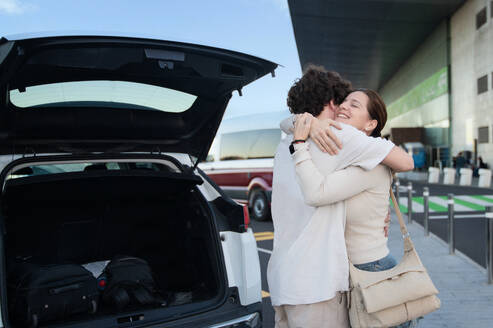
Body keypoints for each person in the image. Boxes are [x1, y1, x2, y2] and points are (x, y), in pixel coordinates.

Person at [267, 65, 414, 328]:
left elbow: (286, 122)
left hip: (282, 279)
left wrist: (305, 127)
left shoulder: (285, 140)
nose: (345, 108)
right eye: (344, 101)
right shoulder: (340, 136)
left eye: (354, 104)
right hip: (316, 284)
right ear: (332, 102)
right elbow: (405, 162)